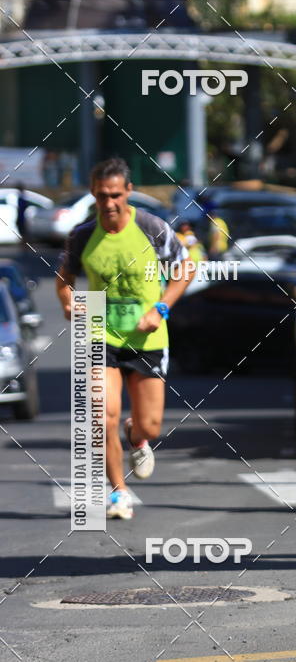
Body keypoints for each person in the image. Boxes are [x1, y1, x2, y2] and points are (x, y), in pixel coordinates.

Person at [56, 157, 194, 520]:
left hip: (147, 338)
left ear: (129, 191)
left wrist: (161, 309)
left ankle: (138, 437)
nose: (110, 203)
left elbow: (185, 269)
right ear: (93, 194)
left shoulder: (152, 228)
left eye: (116, 194)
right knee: (102, 416)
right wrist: (69, 303)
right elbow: (64, 280)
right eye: (102, 196)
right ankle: (118, 491)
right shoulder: (83, 235)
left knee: (150, 424)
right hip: (99, 332)